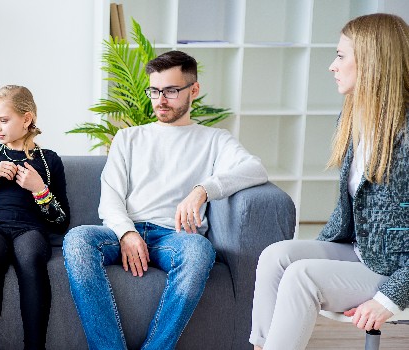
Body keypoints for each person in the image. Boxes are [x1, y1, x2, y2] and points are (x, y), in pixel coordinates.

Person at [63, 50, 268, 350]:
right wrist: (127, 233)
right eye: (155, 90)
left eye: (171, 91)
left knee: (200, 250)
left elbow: (255, 169)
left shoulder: (215, 140)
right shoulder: (129, 138)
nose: (160, 100)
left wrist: (202, 190)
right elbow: (110, 199)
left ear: (193, 90)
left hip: (174, 239)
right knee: (77, 240)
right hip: (123, 233)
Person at [249, 13, 409, 350]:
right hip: (361, 251)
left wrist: (389, 300)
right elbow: (348, 210)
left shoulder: (405, 135)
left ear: (371, 61)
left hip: (395, 270)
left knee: (301, 276)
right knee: (276, 256)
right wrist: (321, 253)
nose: (331, 66)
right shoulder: (355, 119)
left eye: (340, 56)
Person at [0, 85, 70, 350]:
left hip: (30, 228)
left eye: (4, 120)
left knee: (31, 257)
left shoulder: (49, 161)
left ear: (27, 118)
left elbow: (61, 222)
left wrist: (40, 189)